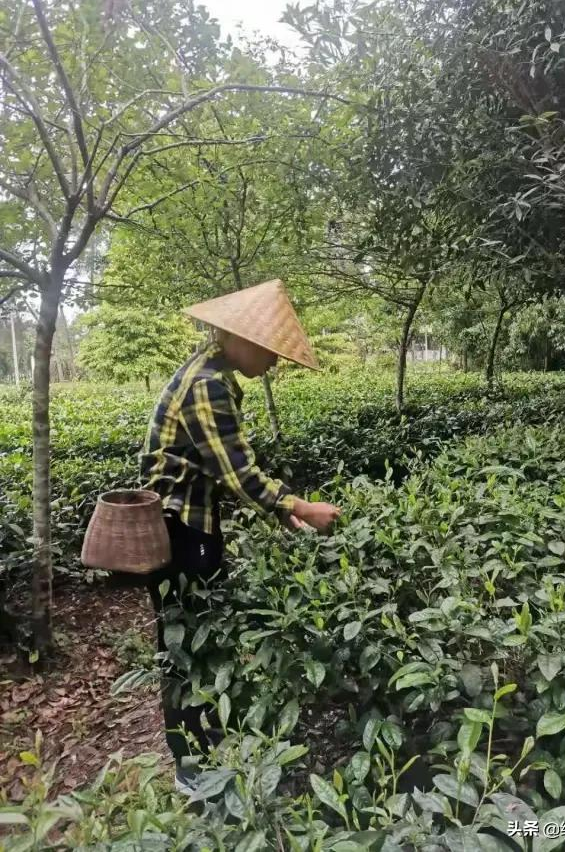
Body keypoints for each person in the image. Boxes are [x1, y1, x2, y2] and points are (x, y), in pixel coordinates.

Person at [139, 280, 341, 792]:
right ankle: (192, 768)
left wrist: (279, 513)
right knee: (186, 644)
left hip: (187, 525)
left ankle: (204, 748)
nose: (273, 362)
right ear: (239, 338)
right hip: (180, 531)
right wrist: (298, 505)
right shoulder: (209, 384)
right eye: (269, 351)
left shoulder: (210, 373)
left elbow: (225, 469)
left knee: (197, 634)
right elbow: (237, 473)